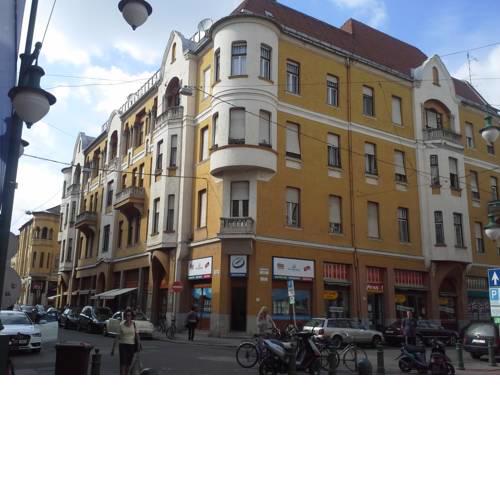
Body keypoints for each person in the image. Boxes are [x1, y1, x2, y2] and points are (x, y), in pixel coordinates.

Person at [111, 307, 141, 375]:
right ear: (125, 316)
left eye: (129, 315)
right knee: (123, 364)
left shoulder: (134, 324)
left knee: (128, 364)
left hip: (131, 346)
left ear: (131, 316)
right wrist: (113, 349)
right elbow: (117, 337)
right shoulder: (121, 324)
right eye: (127, 315)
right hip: (123, 346)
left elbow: (137, 336)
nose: (128, 317)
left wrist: (138, 346)